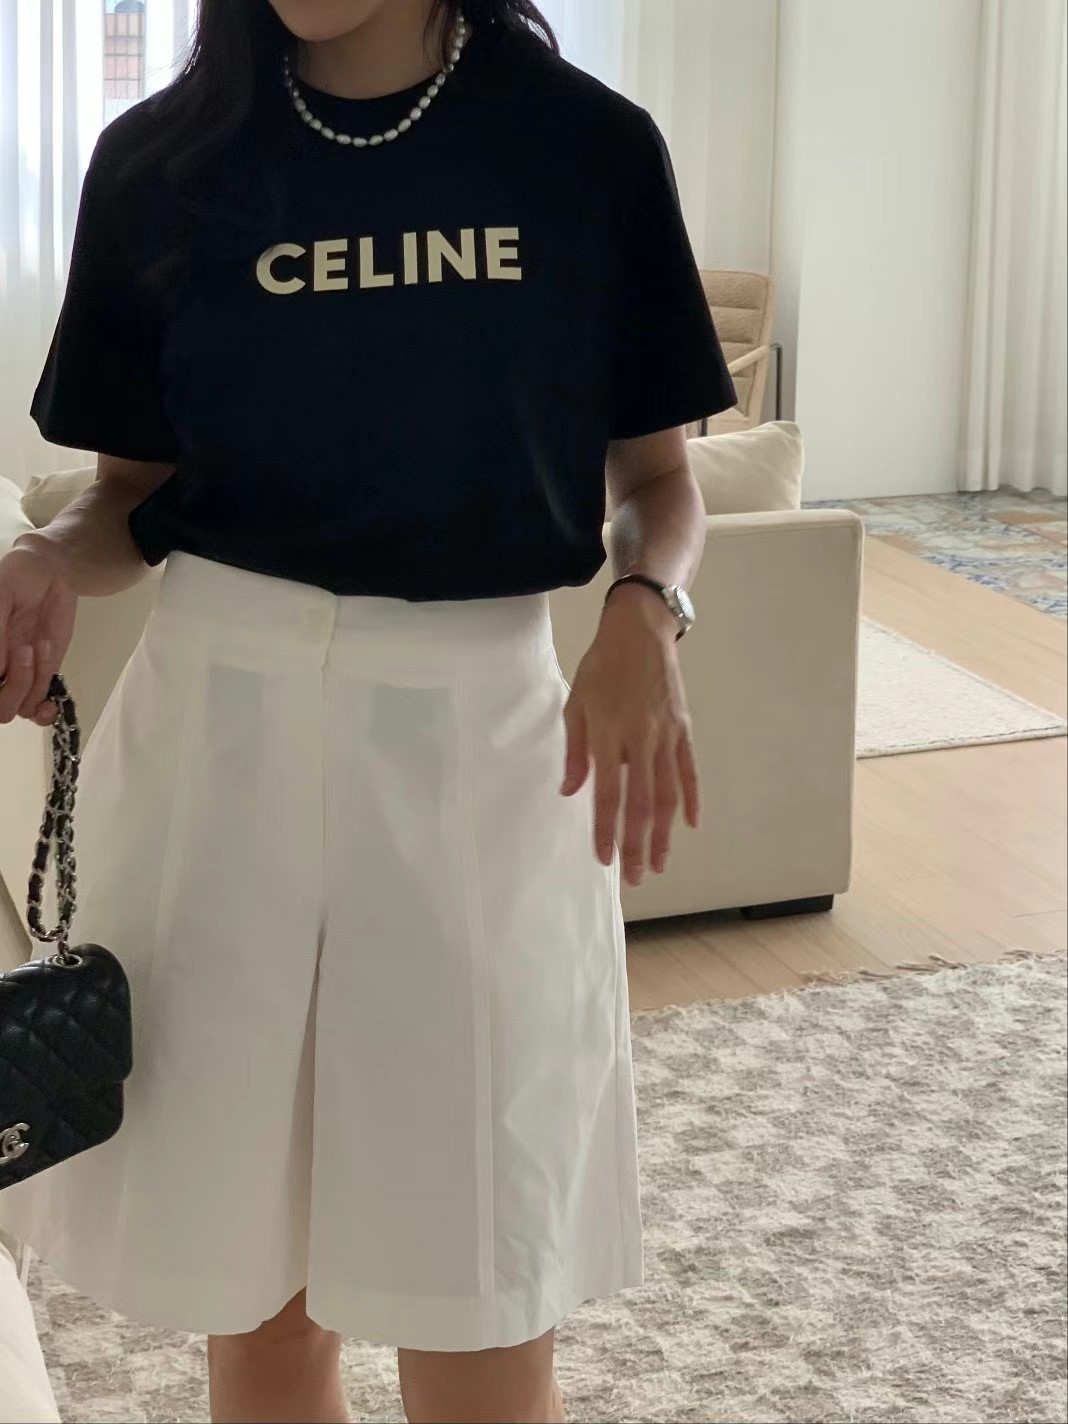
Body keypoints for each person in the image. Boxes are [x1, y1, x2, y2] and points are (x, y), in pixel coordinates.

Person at [0, 1, 735, 1419]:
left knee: (478, 1298)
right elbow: (131, 499)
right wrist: (44, 557)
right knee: (258, 1306)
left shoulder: (583, 148)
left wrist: (647, 610)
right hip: (218, 742)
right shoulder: (164, 159)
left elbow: (661, 480)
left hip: (479, 746)